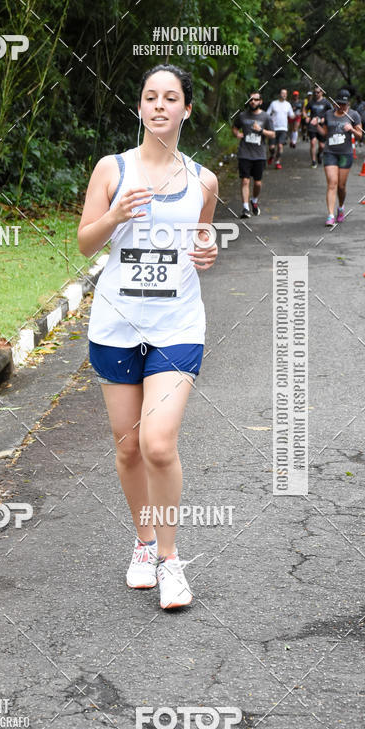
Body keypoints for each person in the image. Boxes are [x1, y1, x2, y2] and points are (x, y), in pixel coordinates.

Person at [77, 64, 218, 610]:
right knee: (129, 445)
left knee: (158, 443)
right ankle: (142, 543)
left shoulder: (202, 180)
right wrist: (115, 214)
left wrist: (208, 250)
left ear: (186, 110)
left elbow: (203, 239)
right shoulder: (112, 169)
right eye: (150, 97)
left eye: (171, 98)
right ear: (140, 108)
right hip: (116, 326)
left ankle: (171, 559)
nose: (160, 106)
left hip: (177, 326)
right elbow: (87, 243)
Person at [318, 88, 362, 226]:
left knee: (341, 186)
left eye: (344, 104)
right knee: (332, 183)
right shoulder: (328, 114)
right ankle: (330, 215)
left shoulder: (354, 115)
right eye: (339, 104)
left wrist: (352, 129)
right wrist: (315, 126)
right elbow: (325, 133)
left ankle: (341, 207)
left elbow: (360, 136)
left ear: (348, 103)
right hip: (330, 152)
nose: (341, 106)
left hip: (345, 154)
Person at [232, 91, 275, 217]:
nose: (253, 102)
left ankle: (254, 201)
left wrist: (261, 130)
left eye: (256, 100)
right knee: (245, 181)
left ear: (260, 102)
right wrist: (237, 134)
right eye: (251, 99)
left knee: (257, 183)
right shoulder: (242, 116)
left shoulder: (266, 117)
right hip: (244, 153)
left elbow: (273, 134)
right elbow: (234, 127)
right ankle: (245, 208)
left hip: (259, 154)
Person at [304, 85, 332, 167]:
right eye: (314, 92)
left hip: (322, 126)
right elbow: (304, 110)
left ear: (322, 93)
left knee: (322, 146)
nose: (316, 94)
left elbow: (331, 113)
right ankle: (313, 161)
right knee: (313, 142)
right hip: (312, 125)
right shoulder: (311, 102)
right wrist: (307, 117)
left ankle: (319, 154)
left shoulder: (326, 102)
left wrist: (325, 118)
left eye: (318, 92)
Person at [266, 88, 294, 168]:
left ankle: (277, 162)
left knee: (280, 146)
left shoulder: (288, 104)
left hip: (283, 128)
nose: (284, 95)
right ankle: (272, 155)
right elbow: (268, 114)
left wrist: (297, 115)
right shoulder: (273, 103)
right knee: (272, 147)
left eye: (285, 93)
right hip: (273, 128)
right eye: (282, 93)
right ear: (279, 94)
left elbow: (291, 115)